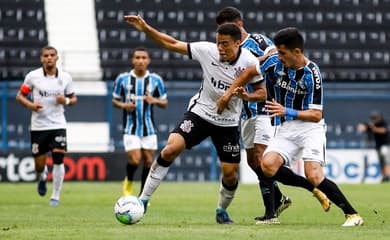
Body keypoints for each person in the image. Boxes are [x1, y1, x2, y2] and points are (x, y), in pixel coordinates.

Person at [124, 14, 266, 224]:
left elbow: (262, 93)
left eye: (225, 44)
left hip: (227, 123)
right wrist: (146, 29)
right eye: (218, 43)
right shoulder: (207, 50)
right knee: (170, 149)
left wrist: (247, 96)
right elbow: (171, 43)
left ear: (238, 43)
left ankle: (221, 210)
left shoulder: (249, 62)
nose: (220, 48)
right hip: (200, 113)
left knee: (230, 174)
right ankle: (143, 200)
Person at [217, 27, 364, 227]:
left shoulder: (312, 73)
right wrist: (241, 94)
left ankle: (352, 214)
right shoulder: (274, 63)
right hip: (286, 128)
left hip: (310, 127)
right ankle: (290, 202)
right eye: (277, 52)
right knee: (266, 166)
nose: (279, 56)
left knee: (314, 174)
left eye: (282, 53)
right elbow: (251, 71)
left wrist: (287, 110)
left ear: (297, 52)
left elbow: (316, 114)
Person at [216, 6, 291, 224]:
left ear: (238, 25)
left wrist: (253, 65)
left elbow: (276, 58)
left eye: (228, 29)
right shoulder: (226, 48)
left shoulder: (257, 41)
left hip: (264, 107)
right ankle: (279, 198)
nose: (223, 38)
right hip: (245, 111)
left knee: (260, 156)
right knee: (252, 162)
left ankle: (271, 214)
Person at [15, 46, 77, 206]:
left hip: (58, 124)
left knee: (58, 158)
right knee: (39, 165)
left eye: (52, 55)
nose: (49, 58)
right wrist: (31, 105)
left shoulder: (65, 77)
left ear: (57, 58)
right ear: (41, 59)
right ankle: (42, 176)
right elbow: (20, 96)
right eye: (46, 56)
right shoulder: (33, 77)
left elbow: (74, 99)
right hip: (38, 126)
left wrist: (67, 101)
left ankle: (55, 196)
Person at [112, 47, 168, 196]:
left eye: (143, 58)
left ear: (148, 60)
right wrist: (124, 105)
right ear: (133, 60)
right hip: (130, 128)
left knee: (149, 162)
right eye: (137, 58)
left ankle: (142, 195)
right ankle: (129, 180)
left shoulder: (155, 80)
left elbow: (164, 102)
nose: (140, 61)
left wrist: (153, 100)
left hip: (149, 129)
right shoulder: (123, 79)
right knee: (135, 159)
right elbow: (115, 100)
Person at [357, 111, 390, 182]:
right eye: (373, 118)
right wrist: (363, 126)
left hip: (385, 145)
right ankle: (384, 176)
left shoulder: (383, 122)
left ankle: (388, 175)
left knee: (386, 159)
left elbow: (384, 130)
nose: (374, 119)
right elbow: (364, 126)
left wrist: (373, 128)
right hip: (378, 146)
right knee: (381, 162)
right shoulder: (372, 124)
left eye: (375, 118)